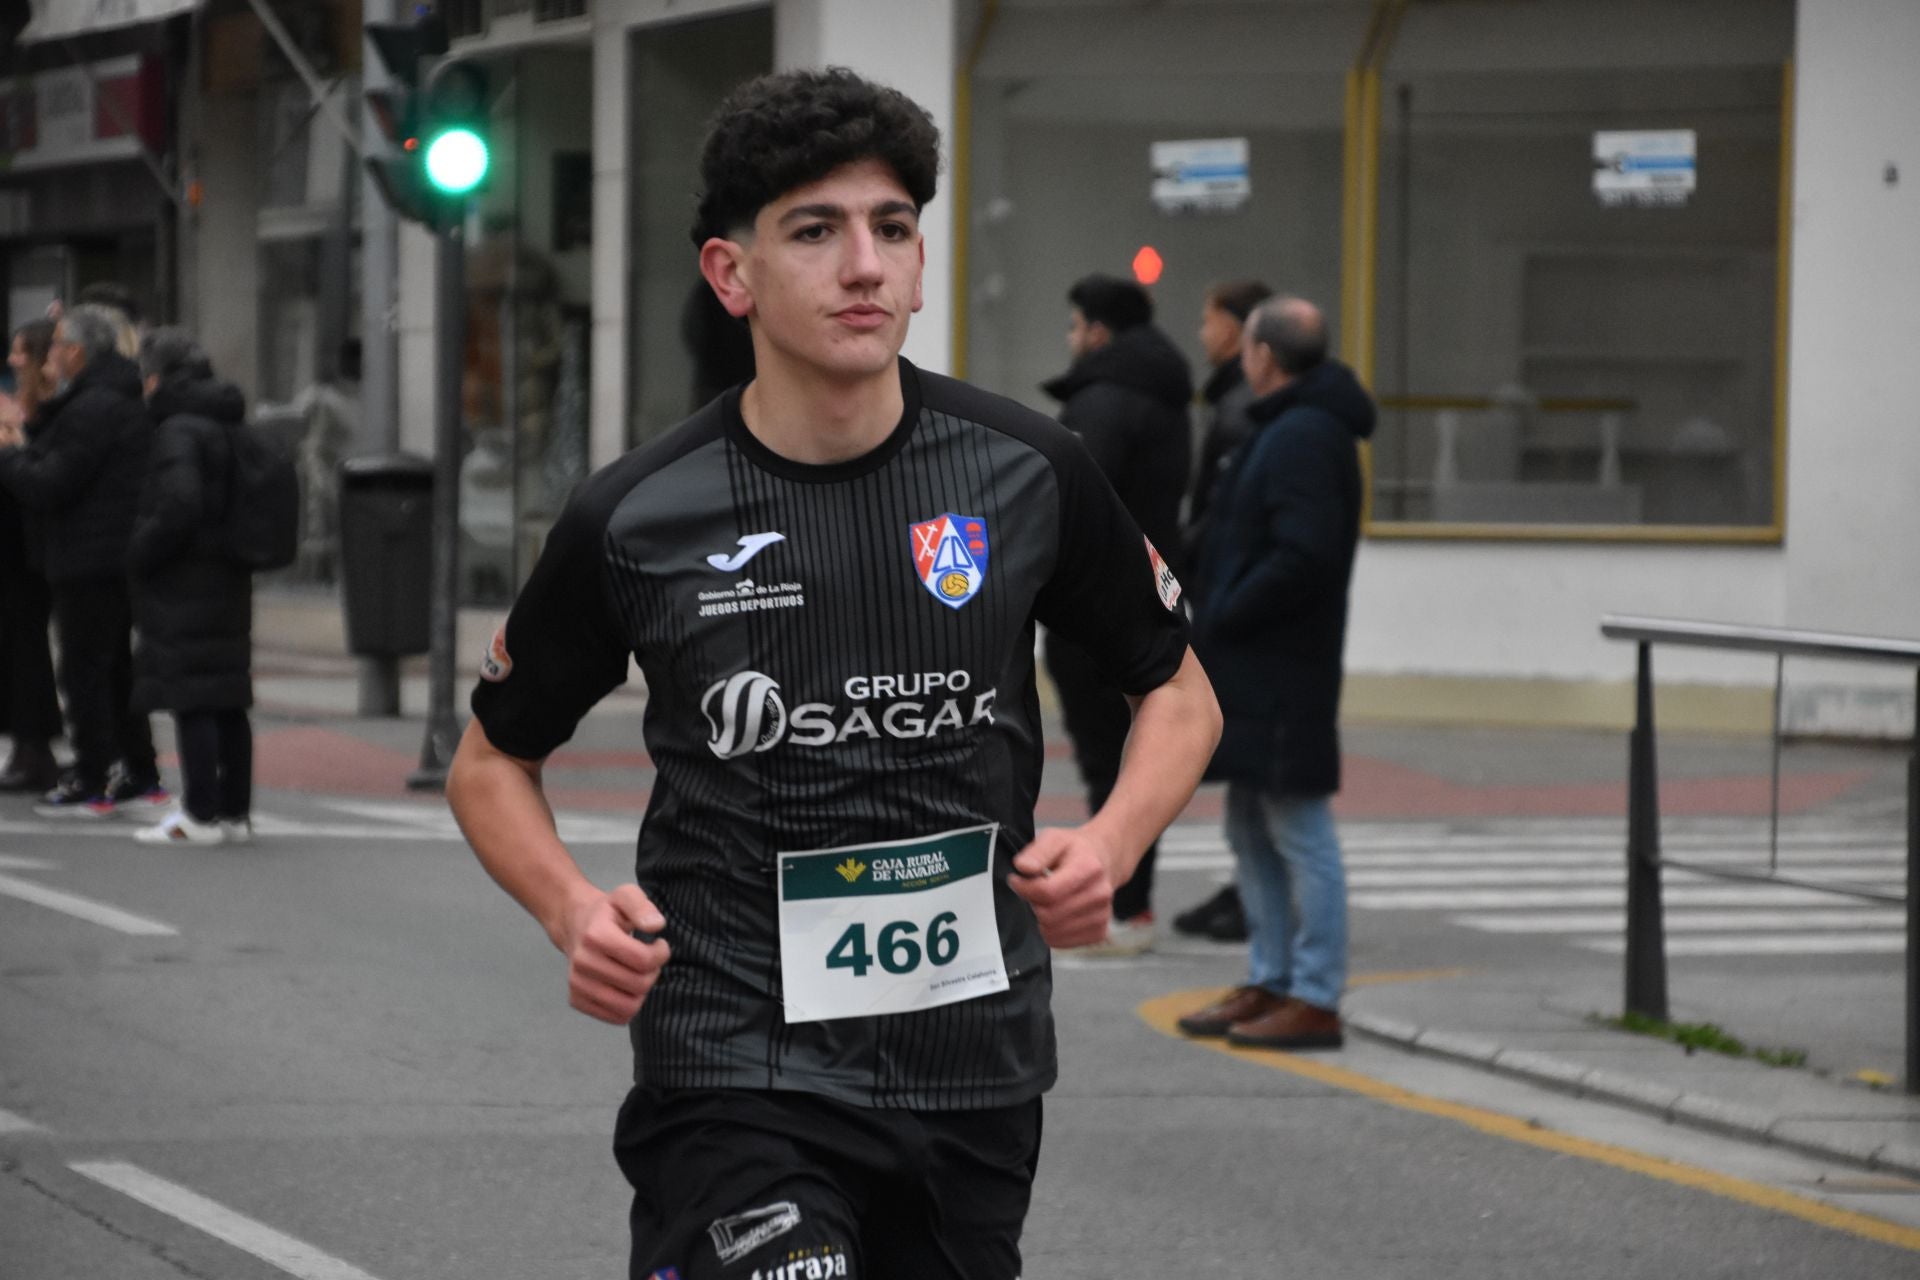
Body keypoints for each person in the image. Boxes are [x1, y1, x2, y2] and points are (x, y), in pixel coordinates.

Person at [446, 67, 1220, 1280]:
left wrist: (1111, 844)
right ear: (732, 273)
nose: (864, 265)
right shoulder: (638, 515)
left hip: (972, 1068)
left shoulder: (1029, 470)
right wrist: (570, 908)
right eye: (815, 231)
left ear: (920, 263)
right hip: (733, 1062)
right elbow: (493, 758)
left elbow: (1178, 690)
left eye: (891, 228)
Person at [1175, 296, 1373, 1052]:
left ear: (1263, 356)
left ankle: (1314, 996)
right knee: (1249, 821)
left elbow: (1303, 555)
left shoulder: (1304, 434)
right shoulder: (1286, 426)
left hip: (1283, 667)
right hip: (1256, 664)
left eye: (1246, 347)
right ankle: (1271, 978)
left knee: (1297, 825)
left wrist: (1226, 609)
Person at [1040, 274, 1192, 955]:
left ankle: (1120, 907)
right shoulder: (1165, 395)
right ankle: (1132, 906)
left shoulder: (1102, 401)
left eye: (1075, 326)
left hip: (1096, 607)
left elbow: (1074, 500)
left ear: (1097, 331)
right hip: (1151, 591)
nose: (1071, 339)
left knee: (1110, 762)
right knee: (1131, 754)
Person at [0, 304, 166, 817]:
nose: (48, 355)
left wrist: (9, 454)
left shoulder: (93, 407)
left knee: (86, 670)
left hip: (89, 554)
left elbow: (52, 481)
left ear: (75, 352)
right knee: (113, 668)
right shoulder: (110, 400)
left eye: (55, 346)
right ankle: (137, 770)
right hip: (107, 551)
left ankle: (92, 775)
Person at [126, 329, 256, 845]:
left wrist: (141, 550)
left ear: (156, 378)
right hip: (228, 573)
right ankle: (234, 812)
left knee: (193, 695)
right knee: (227, 695)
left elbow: (179, 503)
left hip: (185, 578)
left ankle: (199, 814)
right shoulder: (227, 420)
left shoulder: (177, 429)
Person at [1171, 279, 1271, 945]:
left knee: (1253, 759)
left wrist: (1186, 562)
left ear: (1236, 330)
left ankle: (1253, 895)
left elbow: (1221, 511)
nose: (1202, 332)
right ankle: (1247, 888)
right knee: (1247, 763)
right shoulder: (1234, 400)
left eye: (1209, 320)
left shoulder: (1240, 408)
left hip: (1229, 599)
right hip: (1227, 594)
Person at [0, 319, 65, 792]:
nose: (13, 359)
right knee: (17, 647)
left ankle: (34, 747)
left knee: (26, 648)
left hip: (26, 546)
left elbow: (39, 473)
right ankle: (27, 745)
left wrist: (11, 446)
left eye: (21, 352)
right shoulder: (25, 404)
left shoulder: (46, 409)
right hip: (16, 543)